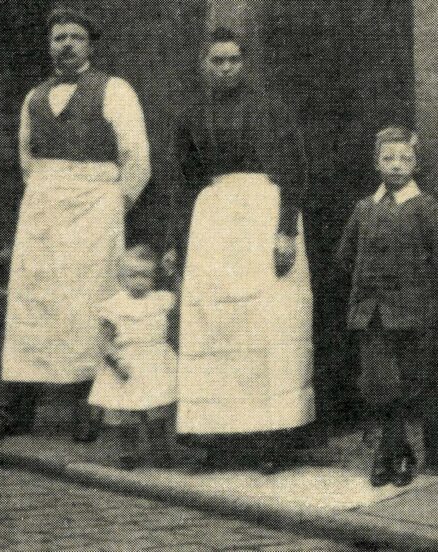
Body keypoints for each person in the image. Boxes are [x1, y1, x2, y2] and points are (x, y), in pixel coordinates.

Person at [0, 8, 150, 443]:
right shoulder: (33, 97)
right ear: (49, 44)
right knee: (31, 306)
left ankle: (86, 411)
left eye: (75, 37)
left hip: (96, 208)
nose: (67, 44)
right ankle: (16, 412)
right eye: (58, 38)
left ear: (90, 44)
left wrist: (114, 206)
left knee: (87, 306)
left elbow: (137, 158)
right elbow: (27, 162)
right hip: (44, 209)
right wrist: (46, 199)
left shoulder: (115, 90)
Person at [168, 28, 314, 474]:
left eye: (233, 60)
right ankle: (219, 439)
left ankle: (273, 439)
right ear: (204, 64)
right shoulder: (192, 115)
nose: (226, 67)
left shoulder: (272, 111)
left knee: (266, 325)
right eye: (217, 60)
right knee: (217, 326)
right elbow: (185, 181)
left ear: (245, 64)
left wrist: (285, 231)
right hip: (214, 221)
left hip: (264, 214)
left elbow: (295, 170)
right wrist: (177, 244)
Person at [336, 126, 438, 487]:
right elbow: (344, 255)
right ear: (376, 163)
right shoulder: (364, 208)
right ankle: (394, 448)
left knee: (408, 385)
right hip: (372, 315)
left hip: (412, 315)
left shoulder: (425, 208)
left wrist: (430, 295)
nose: (397, 165)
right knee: (378, 384)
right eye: (388, 158)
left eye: (405, 159)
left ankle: (394, 451)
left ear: (416, 164)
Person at [89, 245, 177, 470]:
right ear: (121, 278)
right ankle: (128, 451)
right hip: (127, 363)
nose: (139, 281)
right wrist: (115, 361)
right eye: (132, 275)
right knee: (127, 410)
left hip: (156, 361)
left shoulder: (160, 300)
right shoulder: (115, 306)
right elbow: (104, 340)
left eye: (145, 276)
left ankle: (159, 449)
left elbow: (180, 295)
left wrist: (173, 271)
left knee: (156, 407)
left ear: (153, 277)